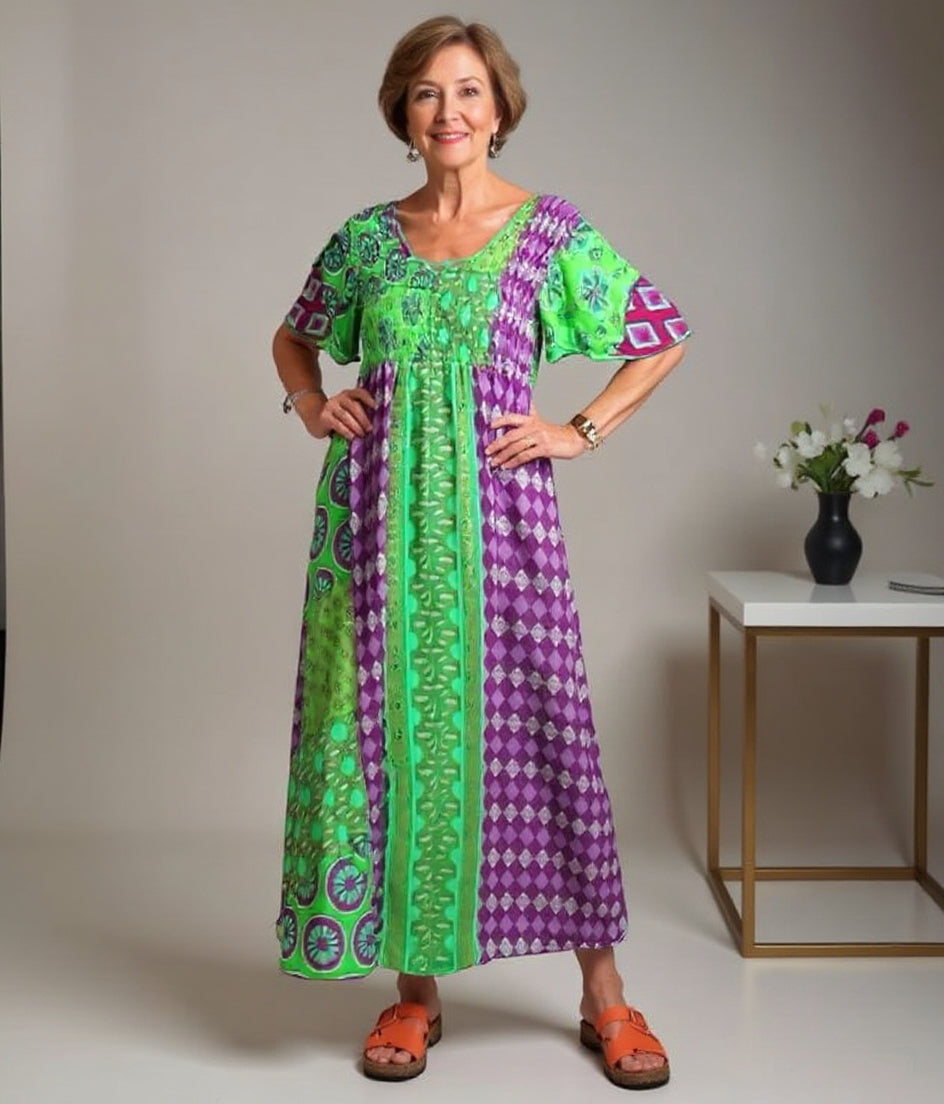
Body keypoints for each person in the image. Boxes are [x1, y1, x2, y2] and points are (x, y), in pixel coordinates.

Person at [272, 15, 690, 1090]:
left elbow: (659, 334)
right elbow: (294, 334)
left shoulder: (547, 233)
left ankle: (605, 996)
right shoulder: (366, 240)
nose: (448, 111)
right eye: (426, 93)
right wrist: (312, 403)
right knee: (384, 739)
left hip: (503, 531)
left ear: (498, 108)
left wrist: (577, 429)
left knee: (544, 736)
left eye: (466, 90)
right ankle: (414, 997)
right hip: (373, 536)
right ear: (401, 115)